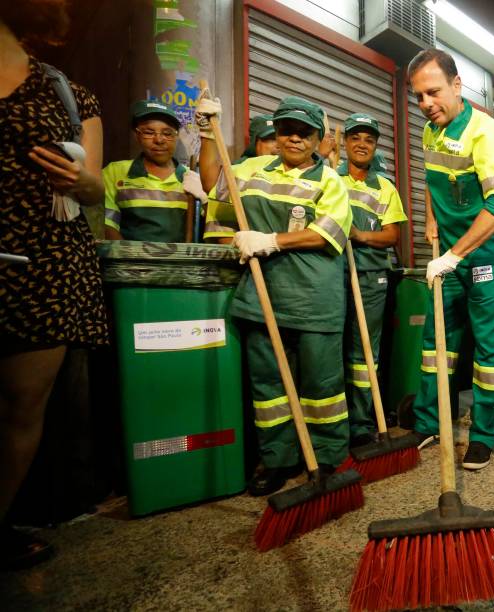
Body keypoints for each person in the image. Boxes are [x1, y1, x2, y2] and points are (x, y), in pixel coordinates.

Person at [197, 96, 352, 496]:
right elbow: (212, 180)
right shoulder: (251, 170)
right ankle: (277, 459)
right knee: (269, 391)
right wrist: (208, 132)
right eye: (286, 130)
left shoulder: (329, 180)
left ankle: (328, 456)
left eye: (304, 132)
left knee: (323, 388)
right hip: (261, 298)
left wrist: (270, 240)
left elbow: (327, 234)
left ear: (318, 138)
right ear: (275, 133)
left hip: (314, 300)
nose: (294, 138)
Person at [0, 5, 107, 569]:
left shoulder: (68, 94)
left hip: (43, 264)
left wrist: (83, 179)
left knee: (22, 407)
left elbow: (95, 190)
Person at [408, 48, 494, 471]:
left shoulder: (489, 134)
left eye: (433, 92)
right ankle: (430, 421)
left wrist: (454, 255)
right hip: (448, 258)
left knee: (490, 352)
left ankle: (483, 435)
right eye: (418, 96)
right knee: (436, 346)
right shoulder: (430, 132)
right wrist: (431, 220)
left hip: (486, 257)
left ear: (457, 85)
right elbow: (435, 183)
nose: (425, 104)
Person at [339, 113, 407, 447]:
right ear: (345, 142)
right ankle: (332, 426)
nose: (362, 144)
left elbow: (393, 235)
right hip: (329, 276)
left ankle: (362, 422)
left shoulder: (385, 187)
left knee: (365, 353)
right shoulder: (328, 178)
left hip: (371, 278)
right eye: (355, 138)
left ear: (375, 146)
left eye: (369, 139)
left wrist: (359, 236)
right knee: (329, 351)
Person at [102, 100, 208, 242]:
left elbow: (214, 229)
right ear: (137, 135)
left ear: (176, 137)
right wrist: (133, 260)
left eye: (167, 133)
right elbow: (107, 226)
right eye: (149, 132)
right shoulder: (115, 172)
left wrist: (205, 201)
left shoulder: (192, 179)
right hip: (130, 261)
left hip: (181, 263)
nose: (159, 140)